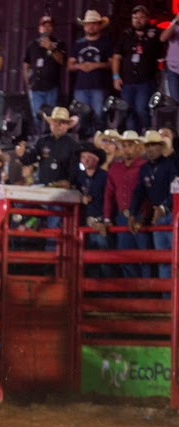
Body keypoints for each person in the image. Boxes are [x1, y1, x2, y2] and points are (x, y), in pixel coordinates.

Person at [128, 130, 177, 286]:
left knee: (174, 258)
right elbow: (138, 192)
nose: (150, 149)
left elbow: (176, 189)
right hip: (159, 217)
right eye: (148, 146)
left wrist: (163, 207)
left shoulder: (171, 165)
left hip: (173, 215)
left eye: (153, 145)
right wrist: (132, 213)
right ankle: (166, 301)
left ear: (160, 147)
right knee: (163, 260)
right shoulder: (145, 169)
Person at [99, 130, 148, 279]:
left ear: (138, 148)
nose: (126, 149)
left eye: (130, 145)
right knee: (126, 258)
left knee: (145, 258)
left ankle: (145, 295)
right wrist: (107, 219)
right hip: (123, 216)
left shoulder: (144, 166)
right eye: (124, 145)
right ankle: (134, 293)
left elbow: (148, 195)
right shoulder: (115, 168)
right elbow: (109, 195)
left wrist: (144, 216)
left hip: (140, 216)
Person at [112, 6, 164, 133]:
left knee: (141, 109)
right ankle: (132, 137)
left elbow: (164, 39)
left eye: (141, 18)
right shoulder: (126, 34)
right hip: (128, 81)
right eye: (135, 18)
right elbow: (116, 57)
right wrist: (116, 76)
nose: (138, 20)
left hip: (146, 80)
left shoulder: (155, 33)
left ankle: (147, 133)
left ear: (147, 18)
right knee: (128, 110)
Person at [68, 11, 113, 136]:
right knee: (82, 117)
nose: (90, 27)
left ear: (99, 25)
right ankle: (84, 143)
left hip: (99, 86)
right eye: (88, 24)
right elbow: (70, 64)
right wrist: (79, 66)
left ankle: (100, 142)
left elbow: (112, 63)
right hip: (81, 86)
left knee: (99, 116)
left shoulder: (105, 43)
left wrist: (97, 65)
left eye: (93, 24)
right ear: (84, 26)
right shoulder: (78, 44)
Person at [16, 107, 80, 187]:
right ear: (51, 124)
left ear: (67, 125)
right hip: (42, 186)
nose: (57, 124)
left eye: (61, 122)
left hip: (63, 190)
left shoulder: (73, 145)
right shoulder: (42, 141)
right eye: (55, 121)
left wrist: (70, 182)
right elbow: (29, 160)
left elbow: (74, 169)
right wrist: (21, 154)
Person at [75, 142, 113, 279]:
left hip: (100, 222)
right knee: (89, 261)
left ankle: (108, 292)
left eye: (89, 157)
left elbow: (110, 199)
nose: (86, 160)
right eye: (83, 157)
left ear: (97, 160)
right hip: (86, 224)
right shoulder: (79, 177)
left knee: (104, 260)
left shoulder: (105, 176)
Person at [24, 15, 66, 133]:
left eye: (49, 26)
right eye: (44, 26)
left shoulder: (58, 43)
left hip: (51, 86)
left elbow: (62, 61)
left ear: (53, 28)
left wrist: (51, 48)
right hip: (35, 87)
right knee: (37, 116)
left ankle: (50, 139)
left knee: (51, 117)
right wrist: (28, 85)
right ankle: (39, 139)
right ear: (39, 29)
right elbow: (26, 65)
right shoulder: (32, 45)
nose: (46, 29)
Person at [161, 12, 179, 100]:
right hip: (174, 69)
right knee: (175, 101)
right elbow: (163, 38)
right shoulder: (174, 26)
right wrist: (175, 21)